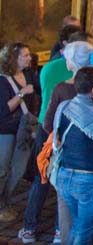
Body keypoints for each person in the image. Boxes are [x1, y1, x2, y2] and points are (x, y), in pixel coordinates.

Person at [18, 30, 89, 244]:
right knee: (64, 181)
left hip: (46, 127)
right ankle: (60, 229)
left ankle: (29, 227)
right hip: (73, 131)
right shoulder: (88, 77)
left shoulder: (48, 68)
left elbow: (46, 95)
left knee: (42, 177)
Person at [45, 42, 93, 244]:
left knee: (71, 220)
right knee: (89, 223)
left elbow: (49, 124)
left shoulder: (61, 92)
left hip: (65, 167)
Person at [0, 42, 40, 222]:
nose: (29, 58)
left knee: (18, 169)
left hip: (25, 128)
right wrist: (22, 93)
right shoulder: (3, 80)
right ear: (13, 59)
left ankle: (4, 201)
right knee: (2, 169)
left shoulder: (30, 74)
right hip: (6, 130)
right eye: (25, 55)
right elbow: (5, 109)